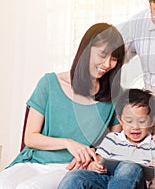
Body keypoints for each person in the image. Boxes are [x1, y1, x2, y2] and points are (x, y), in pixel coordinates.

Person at [0, 23, 125, 189]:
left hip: (69, 168)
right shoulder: (49, 83)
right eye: (102, 54)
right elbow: (30, 138)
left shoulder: (114, 96)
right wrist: (68, 143)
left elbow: (114, 145)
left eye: (114, 58)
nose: (107, 63)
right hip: (31, 163)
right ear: (86, 49)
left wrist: (93, 159)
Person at [58, 88, 155, 189]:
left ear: (151, 121)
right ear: (120, 121)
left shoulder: (153, 144)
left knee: (128, 166)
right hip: (107, 180)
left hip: (134, 184)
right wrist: (94, 166)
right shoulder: (112, 139)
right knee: (75, 176)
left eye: (141, 121)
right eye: (129, 121)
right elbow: (98, 160)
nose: (135, 127)